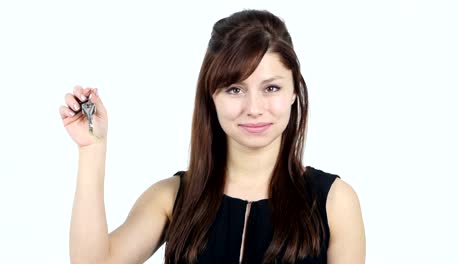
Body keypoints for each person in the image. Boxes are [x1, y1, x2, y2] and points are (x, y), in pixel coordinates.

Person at [60, 9, 365, 264]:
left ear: (294, 92)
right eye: (235, 89)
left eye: (271, 88)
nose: (254, 108)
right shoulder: (172, 198)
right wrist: (92, 148)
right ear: (212, 95)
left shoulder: (334, 202)